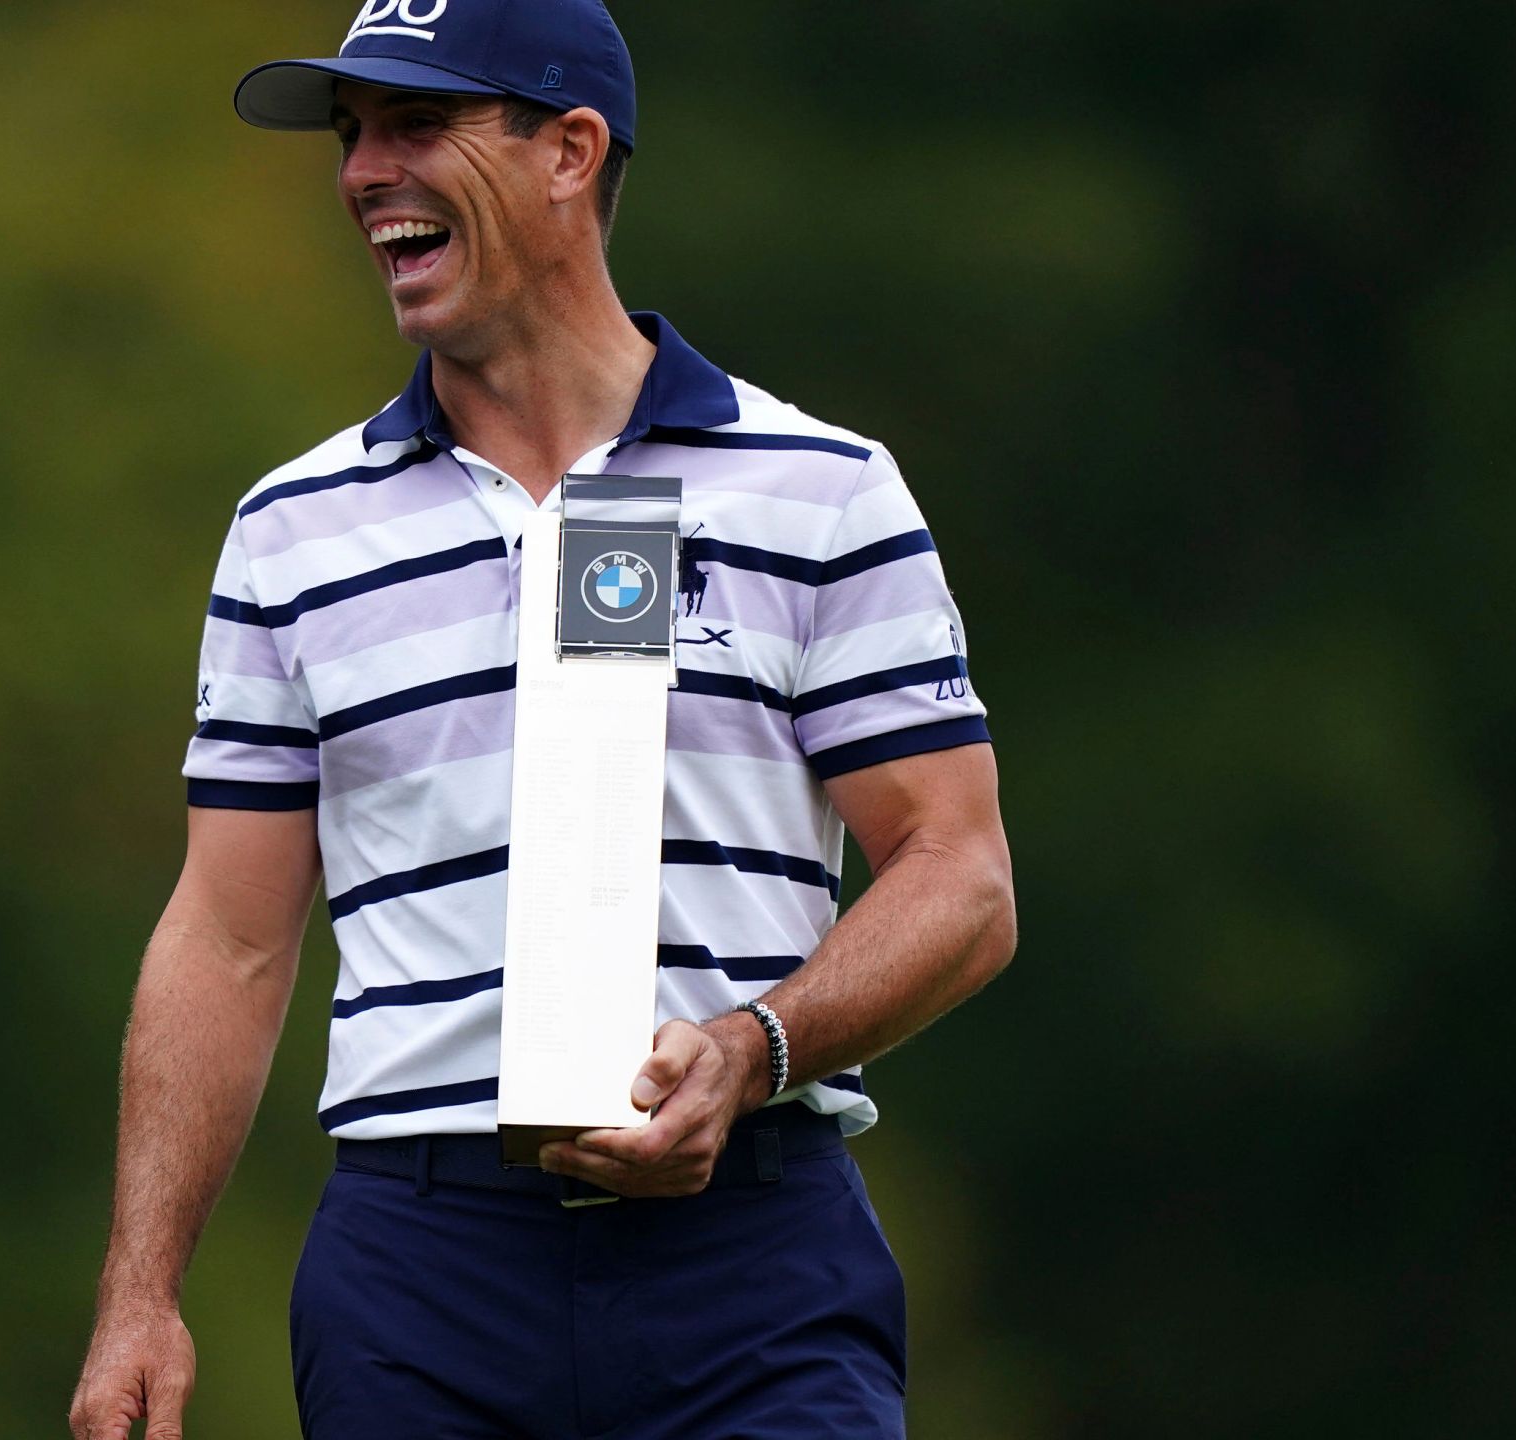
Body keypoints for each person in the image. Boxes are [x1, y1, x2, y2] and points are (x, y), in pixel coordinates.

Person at [70, 3, 1016, 1436]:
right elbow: (229, 932)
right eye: (349, 135)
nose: (361, 173)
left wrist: (754, 1044)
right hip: (420, 1268)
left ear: (571, 151)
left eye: (416, 124)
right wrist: (141, 1295)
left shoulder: (823, 490)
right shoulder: (293, 529)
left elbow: (962, 876)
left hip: (749, 1257)